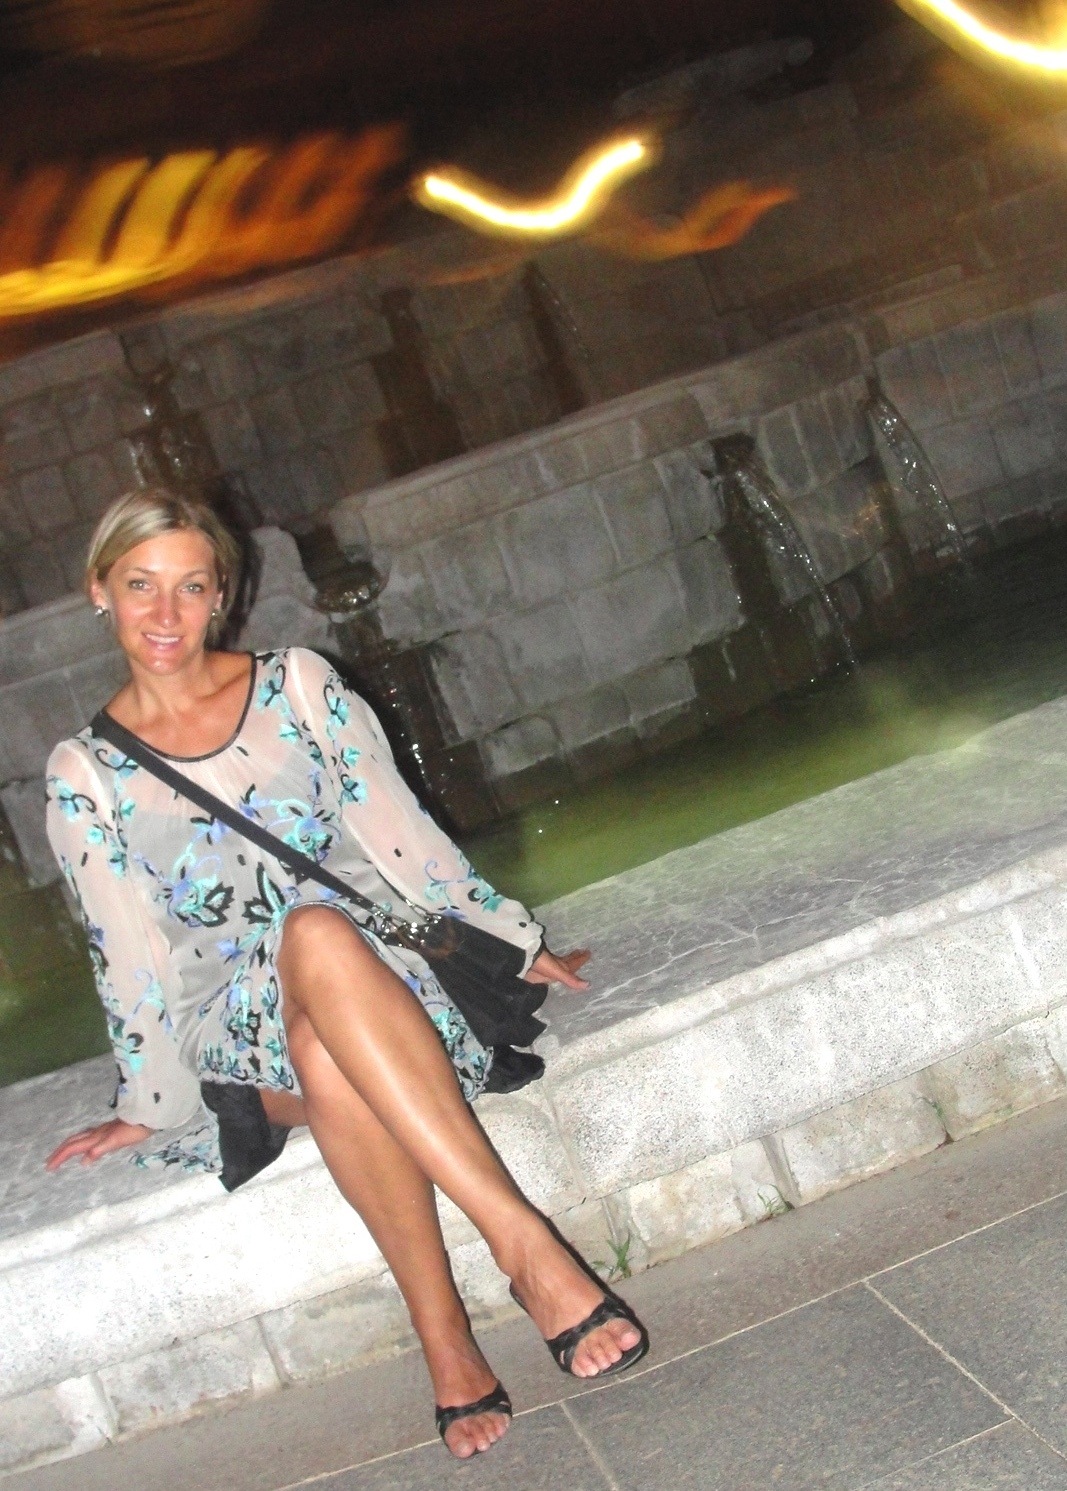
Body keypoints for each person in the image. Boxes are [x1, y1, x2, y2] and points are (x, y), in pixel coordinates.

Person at [42, 488, 648, 1459]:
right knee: (313, 941)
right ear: (98, 591)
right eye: (141, 585)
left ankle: (445, 1341)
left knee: (327, 1004)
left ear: (221, 595)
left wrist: (507, 938)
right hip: (236, 1028)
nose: (165, 613)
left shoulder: (298, 687)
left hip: (382, 985)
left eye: (190, 586)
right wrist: (148, 1102)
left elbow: (404, 836)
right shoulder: (86, 776)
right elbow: (129, 958)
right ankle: (523, 1245)